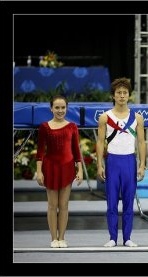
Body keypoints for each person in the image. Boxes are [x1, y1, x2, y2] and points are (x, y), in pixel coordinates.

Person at [96, 77, 146, 247]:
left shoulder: (137, 118)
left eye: (125, 93)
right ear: (113, 96)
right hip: (112, 162)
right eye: (119, 93)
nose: (122, 96)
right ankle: (112, 237)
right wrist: (99, 165)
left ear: (129, 96)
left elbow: (141, 142)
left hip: (129, 161)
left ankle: (127, 238)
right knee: (111, 202)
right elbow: (100, 142)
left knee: (128, 201)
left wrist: (142, 164)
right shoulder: (105, 117)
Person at [36, 95, 83, 248]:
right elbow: (40, 152)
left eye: (63, 107)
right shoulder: (44, 127)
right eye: (57, 107)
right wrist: (39, 172)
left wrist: (80, 170)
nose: (60, 110)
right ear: (51, 108)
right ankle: (53, 238)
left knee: (64, 205)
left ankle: (62, 237)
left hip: (67, 167)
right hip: (50, 167)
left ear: (67, 108)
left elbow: (76, 152)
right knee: (52, 204)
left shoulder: (72, 127)